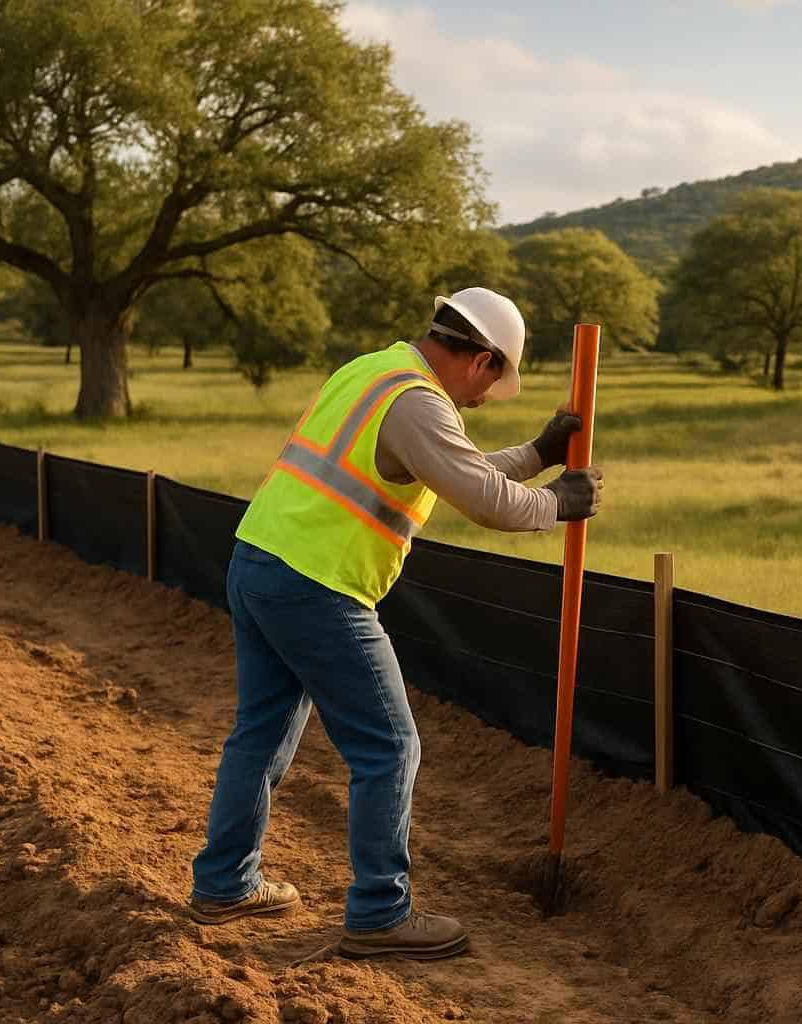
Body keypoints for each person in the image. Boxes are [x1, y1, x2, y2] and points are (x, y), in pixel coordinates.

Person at [187, 287, 602, 961]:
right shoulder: (418, 402)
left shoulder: (375, 372)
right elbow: (483, 498)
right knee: (390, 747)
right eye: (492, 385)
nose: (480, 402)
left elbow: (451, 471)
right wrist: (556, 503)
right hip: (319, 585)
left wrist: (537, 453)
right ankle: (381, 912)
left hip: (260, 561)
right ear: (485, 360)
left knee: (260, 735)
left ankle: (224, 885)